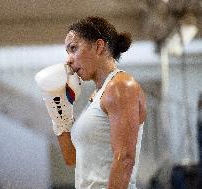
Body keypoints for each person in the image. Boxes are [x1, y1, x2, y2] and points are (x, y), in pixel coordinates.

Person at [36, 16, 146, 189]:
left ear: (98, 46)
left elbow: (125, 157)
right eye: (67, 52)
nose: (68, 60)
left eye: (74, 48)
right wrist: (60, 118)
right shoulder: (97, 95)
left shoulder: (121, 86)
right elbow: (71, 158)